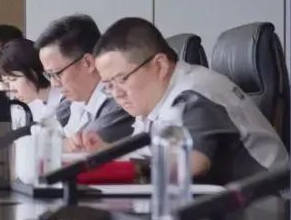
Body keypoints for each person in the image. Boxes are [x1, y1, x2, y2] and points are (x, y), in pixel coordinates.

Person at [92, 17, 287, 185]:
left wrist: (116, 169)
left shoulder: (195, 93)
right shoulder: (156, 102)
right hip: (231, 202)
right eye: (109, 85)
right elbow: (149, 156)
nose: (117, 93)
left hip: (272, 204)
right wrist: (105, 153)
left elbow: (191, 164)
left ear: (159, 65)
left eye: (121, 79)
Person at [35, 14, 133, 151]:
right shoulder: (77, 100)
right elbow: (46, 138)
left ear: (88, 63)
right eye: (49, 75)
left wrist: (62, 145)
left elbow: (84, 149)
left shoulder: (117, 101)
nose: (54, 84)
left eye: (57, 73)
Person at [0, 38, 68, 125]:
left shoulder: (66, 98)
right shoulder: (29, 107)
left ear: (33, 71)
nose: (11, 89)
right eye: (7, 82)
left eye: (13, 79)